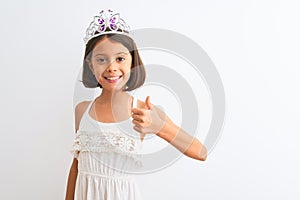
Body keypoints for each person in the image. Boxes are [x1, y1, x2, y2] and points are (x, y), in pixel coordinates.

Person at [65, 9, 207, 200]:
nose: (112, 67)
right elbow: (76, 165)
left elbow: (200, 152)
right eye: (101, 59)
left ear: (132, 63)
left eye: (120, 58)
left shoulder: (144, 112)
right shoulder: (82, 110)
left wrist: (159, 126)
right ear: (91, 65)